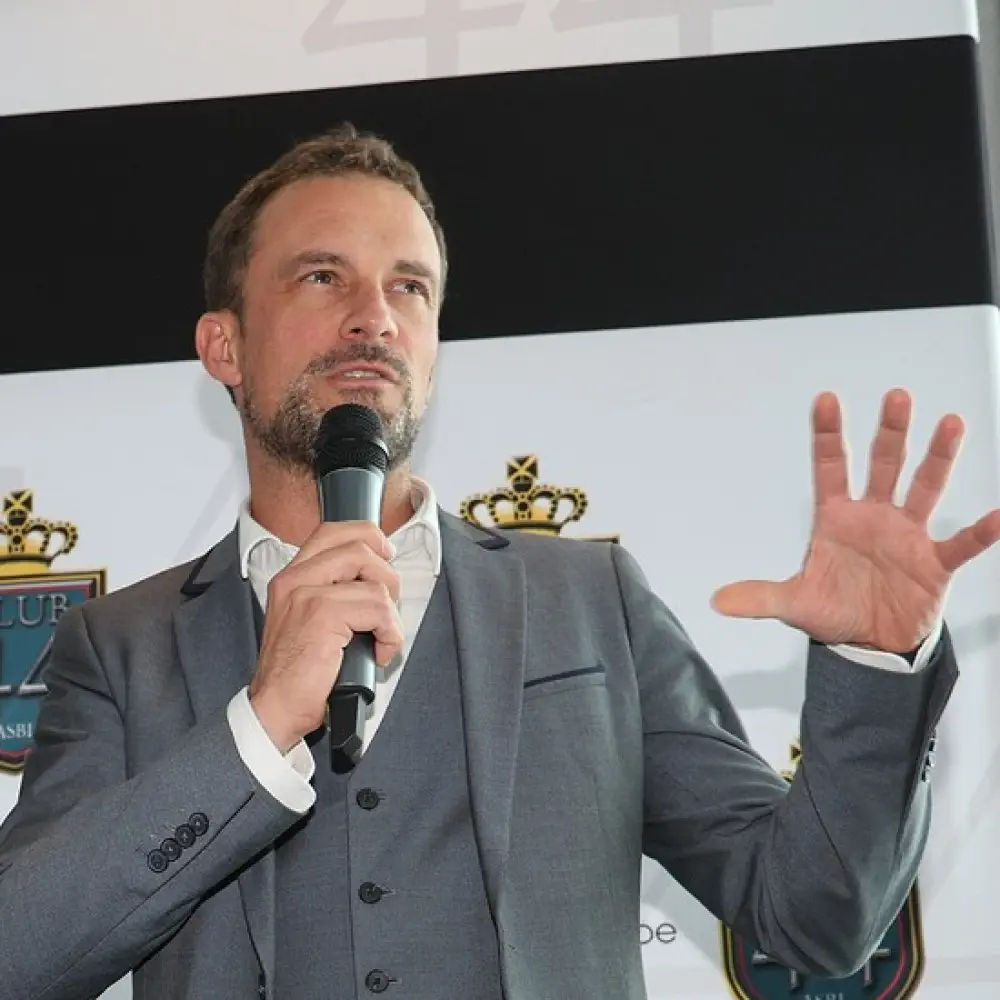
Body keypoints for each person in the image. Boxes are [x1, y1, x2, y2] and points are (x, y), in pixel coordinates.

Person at [0, 124, 997, 1000]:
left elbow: (815, 919)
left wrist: (875, 667)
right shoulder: (120, 646)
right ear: (224, 345)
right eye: (322, 276)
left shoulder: (589, 600)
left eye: (409, 286)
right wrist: (256, 731)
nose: (375, 316)